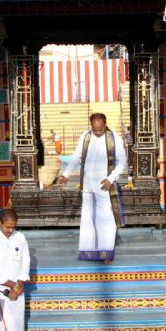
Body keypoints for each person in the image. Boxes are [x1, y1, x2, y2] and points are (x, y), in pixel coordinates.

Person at [59, 113, 127, 263]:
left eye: (100, 130)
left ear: (105, 124)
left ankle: (106, 253)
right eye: (95, 130)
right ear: (91, 126)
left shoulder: (115, 138)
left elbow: (122, 162)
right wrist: (66, 174)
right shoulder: (85, 136)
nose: (98, 133)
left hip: (104, 185)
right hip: (88, 184)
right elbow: (76, 156)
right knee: (88, 219)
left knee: (106, 219)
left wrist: (111, 179)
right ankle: (90, 252)